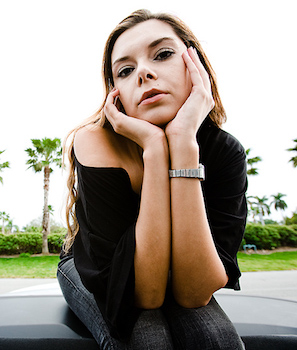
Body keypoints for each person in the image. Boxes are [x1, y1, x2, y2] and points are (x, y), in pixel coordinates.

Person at [57, 9, 247, 349]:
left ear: (195, 66)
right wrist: (155, 149)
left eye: (162, 54)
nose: (143, 73)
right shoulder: (96, 141)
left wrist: (184, 143)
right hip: (96, 268)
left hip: (179, 271)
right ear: (116, 93)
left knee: (217, 339)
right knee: (147, 336)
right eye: (126, 71)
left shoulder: (224, 152)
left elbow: (193, 292)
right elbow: (145, 295)